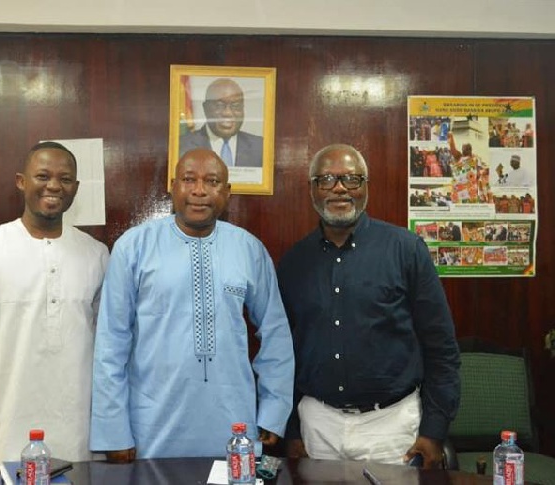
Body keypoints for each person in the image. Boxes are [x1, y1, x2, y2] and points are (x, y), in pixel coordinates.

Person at [90, 148, 293, 462]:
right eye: (188, 180)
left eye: (212, 181)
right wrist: (113, 431)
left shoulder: (248, 249)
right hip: (151, 425)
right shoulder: (134, 246)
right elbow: (111, 344)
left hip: (233, 425)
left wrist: (273, 409)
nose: (199, 190)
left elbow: (276, 334)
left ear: (227, 192)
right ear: (172, 187)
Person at [277, 144, 460, 469]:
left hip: (391, 428)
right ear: (312, 190)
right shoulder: (293, 263)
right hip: (318, 427)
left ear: (366, 188)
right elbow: (284, 355)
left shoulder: (406, 251)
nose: (339, 188)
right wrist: (292, 430)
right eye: (327, 179)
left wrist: (434, 430)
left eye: (352, 179)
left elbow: (442, 349)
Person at [0, 141, 109, 471]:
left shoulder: (96, 255)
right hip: (0, 441)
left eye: (65, 178)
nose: (54, 185)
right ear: (21, 181)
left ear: (76, 188)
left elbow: (108, 356)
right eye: (42, 175)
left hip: (80, 444)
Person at [179, 78, 263, 167]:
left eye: (236, 106)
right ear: (205, 108)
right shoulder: (181, 145)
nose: (227, 113)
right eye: (219, 105)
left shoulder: (260, 147)